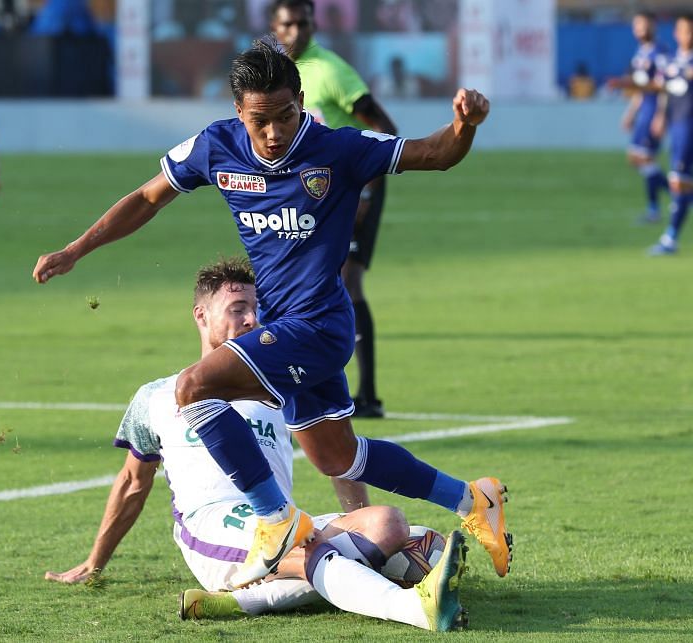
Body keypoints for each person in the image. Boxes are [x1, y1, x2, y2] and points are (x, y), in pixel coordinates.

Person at [33, 39, 510, 588]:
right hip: (284, 328)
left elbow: (433, 152)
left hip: (318, 326)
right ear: (239, 111)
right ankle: (473, 499)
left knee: (191, 390)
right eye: (261, 121)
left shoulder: (338, 149)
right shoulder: (216, 147)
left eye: (286, 115)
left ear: (301, 100)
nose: (276, 132)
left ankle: (277, 521)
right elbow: (147, 198)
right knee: (338, 458)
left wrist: (465, 125)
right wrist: (76, 250)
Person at [45, 257, 469, 631]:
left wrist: (365, 532)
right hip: (211, 527)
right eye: (237, 309)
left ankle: (242, 601)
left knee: (396, 528)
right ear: (201, 315)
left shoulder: (281, 385)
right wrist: (94, 562)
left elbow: (336, 460)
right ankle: (412, 608)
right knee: (333, 553)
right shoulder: (157, 396)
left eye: (256, 309)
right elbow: (132, 484)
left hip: (281, 523)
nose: (251, 319)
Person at [270, 0, 397, 418]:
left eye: (303, 24)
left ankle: (370, 395)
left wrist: (363, 193)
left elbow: (385, 129)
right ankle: (308, 385)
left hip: (352, 192)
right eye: (287, 24)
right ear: (275, 25)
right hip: (312, 199)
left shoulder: (331, 70)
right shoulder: (275, 74)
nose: (295, 32)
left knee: (348, 282)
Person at [608, 12, 669, 225]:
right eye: (636, 25)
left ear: (653, 26)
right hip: (644, 110)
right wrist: (630, 113)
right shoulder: (640, 52)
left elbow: (664, 87)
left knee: (643, 158)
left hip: (654, 110)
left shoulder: (660, 52)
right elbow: (639, 89)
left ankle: (665, 204)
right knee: (637, 158)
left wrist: (661, 115)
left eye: (643, 25)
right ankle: (673, 197)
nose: (639, 29)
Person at [647, 14, 693, 255]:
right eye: (681, 30)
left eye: (688, 30)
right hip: (676, 124)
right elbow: (663, 89)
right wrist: (660, 115)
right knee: (681, 182)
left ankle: (670, 239)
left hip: (689, 125)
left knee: (679, 181)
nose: (684, 35)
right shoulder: (672, 60)